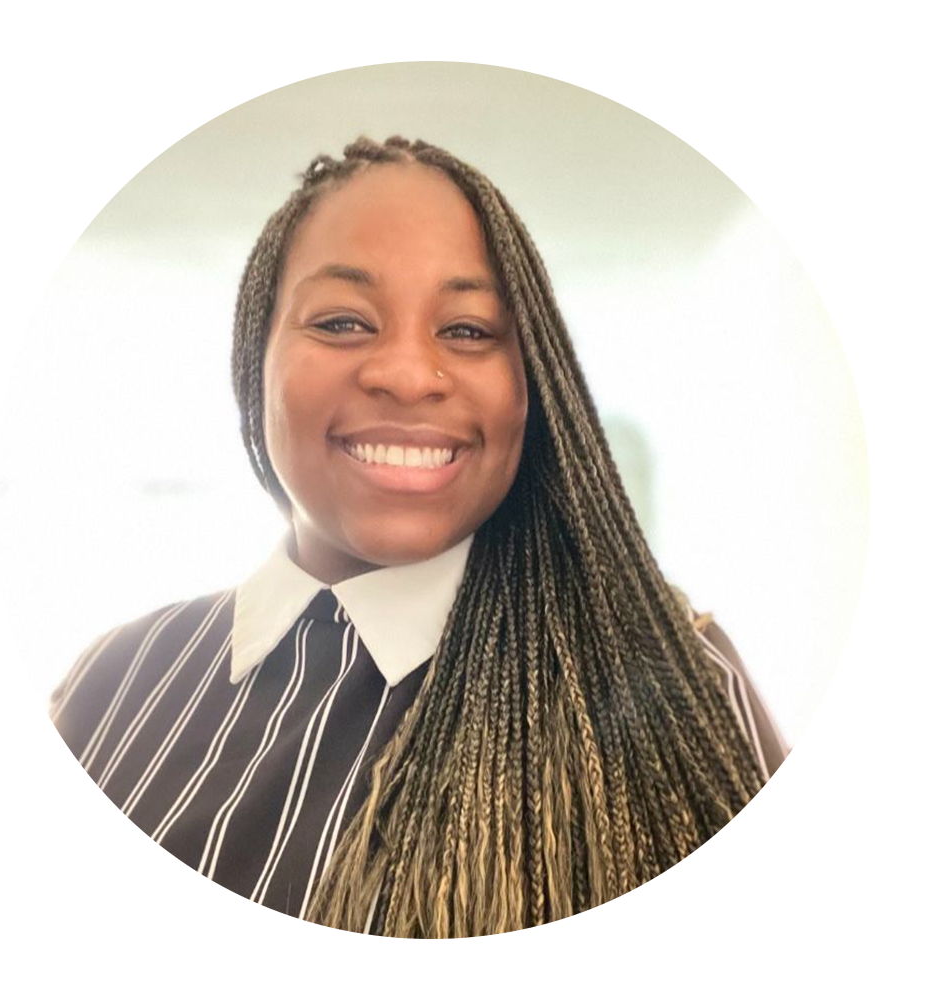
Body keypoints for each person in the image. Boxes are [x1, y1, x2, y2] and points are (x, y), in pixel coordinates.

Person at [48, 135, 789, 938]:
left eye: (468, 330)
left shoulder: (669, 678)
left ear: (534, 384)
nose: (406, 375)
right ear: (253, 358)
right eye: (342, 321)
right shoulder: (112, 681)